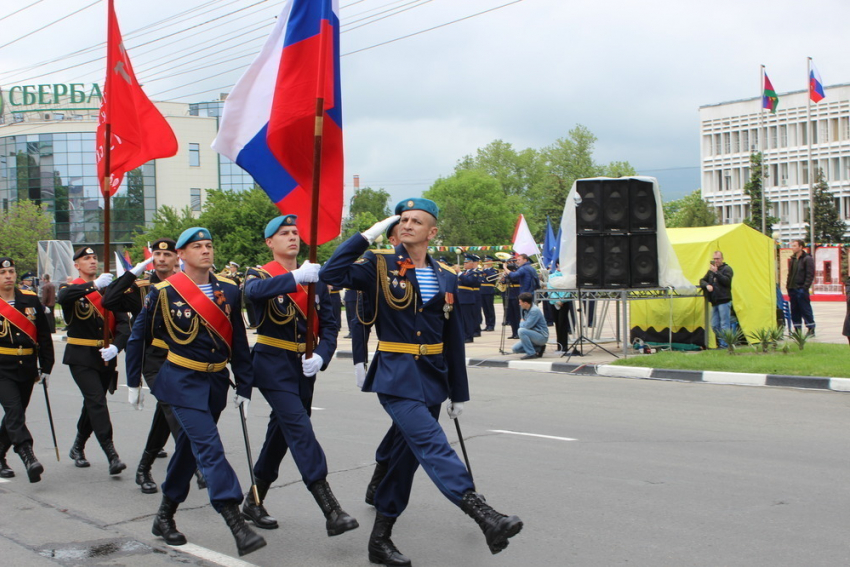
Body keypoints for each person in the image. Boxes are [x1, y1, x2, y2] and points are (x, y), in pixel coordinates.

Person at [321, 198, 523, 566]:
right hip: (396, 375)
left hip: (432, 378)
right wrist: (365, 236)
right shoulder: (377, 264)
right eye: (403, 220)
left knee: (404, 461)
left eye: (417, 221)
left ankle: (379, 542)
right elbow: (331, 274)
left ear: (432, 233)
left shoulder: (446, 275)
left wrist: (458, 392)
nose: (408, 224)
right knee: (432, 444)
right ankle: (484, 515)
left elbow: (453, 339)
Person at [133, 227, 265, 556]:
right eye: (197, 246)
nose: (206, 250)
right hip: (181, 382)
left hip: (216, 382)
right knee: (209, 447)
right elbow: (140, 336)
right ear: (182, 254)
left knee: (188, 451)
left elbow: (237, 342)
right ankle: (236, 522)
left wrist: (245, 385)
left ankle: (164, 516)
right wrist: (134, 379)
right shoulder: (163, 291)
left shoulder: (230, 291)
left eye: (209, 244)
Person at [241, 215, 357, 536]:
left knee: (281, 433)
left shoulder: (317, 278)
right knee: (299, 428)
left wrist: (321, 355)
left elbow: (331, 326)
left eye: (295, 232)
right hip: (271, 362)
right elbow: (253, 293)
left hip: (304, 366)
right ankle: (331, 509)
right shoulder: (260, 273)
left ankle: (253, 500)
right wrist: (294, 278)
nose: (292, 237)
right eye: (284, 233)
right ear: (270, 242)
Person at [106, 239, 206, 495]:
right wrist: (134, 271)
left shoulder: (186, 286)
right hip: (153, 360)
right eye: (157, 254)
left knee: (165, 414)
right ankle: (198, 464)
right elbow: (109, 300)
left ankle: (144, 468)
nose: (161, 258)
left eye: (167, 254)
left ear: (177, 258)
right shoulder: (140, 288)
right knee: (173, 409)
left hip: (181, 357)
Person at [57, 247, 130, 474]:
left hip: (105, 357)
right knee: (97, 401)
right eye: (86, 258)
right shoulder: (71, 288)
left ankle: (78, 446)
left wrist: (117, 346)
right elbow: (63, 298)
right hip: (81, 356)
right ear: (77, 265)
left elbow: (124, 325)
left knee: (92, 403)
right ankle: (111, 453)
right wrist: (94, 286)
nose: (92, 261)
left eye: (94, 258)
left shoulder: (110, 291)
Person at [0, 257, 54, 482]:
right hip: (2, 367)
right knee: (14, 412)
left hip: (27, 367)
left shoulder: (29, 300)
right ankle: (28, 455)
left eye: (11, 271)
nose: (8, 276)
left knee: (16, 415)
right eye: (3, 273)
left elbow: (43, 333)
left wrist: (47, 365)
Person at [699, 251, 734, 348]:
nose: (716, 261)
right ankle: (721, 342)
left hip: (724, 300)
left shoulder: (727, 269)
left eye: (717, 259)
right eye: (714, 259)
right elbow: (702, 280)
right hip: (714, 301)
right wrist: (707, 285)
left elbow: (726, 282)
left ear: (722, 259)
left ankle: (725, 345)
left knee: (724, 324)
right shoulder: (710, 272)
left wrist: (716, 272)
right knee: (714, 325)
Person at [786, 239, 816, 337]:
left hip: (801, 288)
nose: (792, 248)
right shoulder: (793, 259)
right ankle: (797, 330)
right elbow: (790, 274)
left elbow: (810, 274)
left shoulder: (807, 259)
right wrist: (788, 286)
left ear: (800, 247)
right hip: (792, 288)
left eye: (795, 246)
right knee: (794, 310)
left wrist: (805, 287)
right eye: (792, 245)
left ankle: (811, 328)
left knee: (805, 309)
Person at [512, 292, 549, 359]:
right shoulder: (526, 310)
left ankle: (531, 353)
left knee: (521, 331)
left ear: (525, 303)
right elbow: (526, 324)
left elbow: (527, 326)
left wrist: (521, 322)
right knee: (515, 349)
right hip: (532, 334)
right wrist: (523, 323)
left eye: (520, 302)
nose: (519, 304)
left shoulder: (534, 310)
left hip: (541, 336)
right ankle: (539, 348)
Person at [457, 253, 483, 343]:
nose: (464, 264)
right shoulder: (465, 273)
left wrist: (459, 273)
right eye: (464, 262)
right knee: (463, 319)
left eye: (467, 262)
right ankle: (464, 335)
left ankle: (469, 336)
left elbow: (469, 282)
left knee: (468, 319)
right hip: (461, 298)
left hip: (467, 298)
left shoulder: (474, 273)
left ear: (472, 263)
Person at [479, 256, 499, 332]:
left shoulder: (494, 270)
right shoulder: (482, 270)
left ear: (491, 261)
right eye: (485, 261)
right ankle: (487, 324)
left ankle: (491, 325)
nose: (486, 262)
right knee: (485, 309)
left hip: (489, 290)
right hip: (482, 290)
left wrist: (486, 270)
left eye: (487, 261)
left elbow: (492, 278)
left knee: (490, 308)